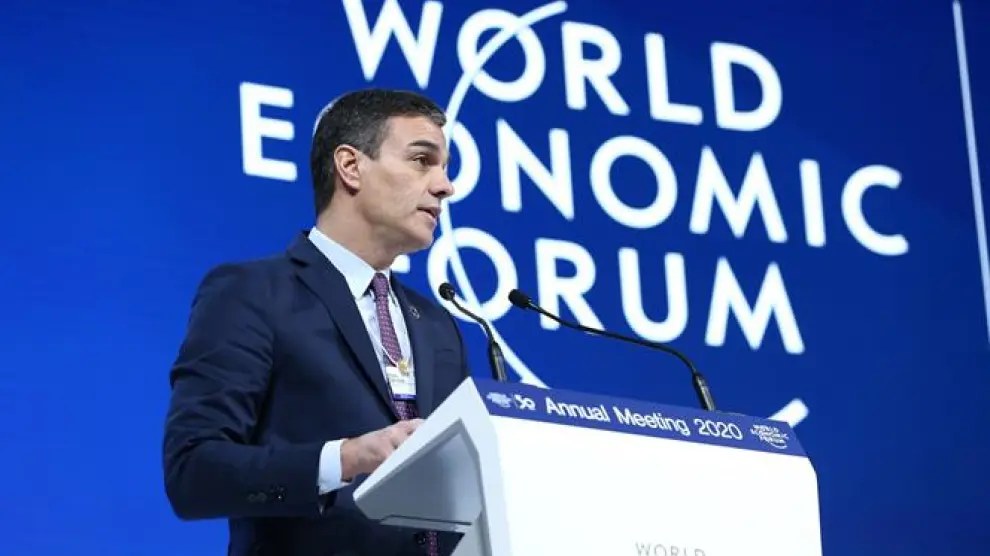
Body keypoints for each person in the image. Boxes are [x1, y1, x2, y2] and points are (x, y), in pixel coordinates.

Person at [163, 88, 472, 556]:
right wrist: (345, 458)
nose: (445, 185)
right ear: (350, 166)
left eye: (445, 167)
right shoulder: (253, 293)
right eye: (421, 160)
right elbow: (193, 472)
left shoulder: (437, 325)